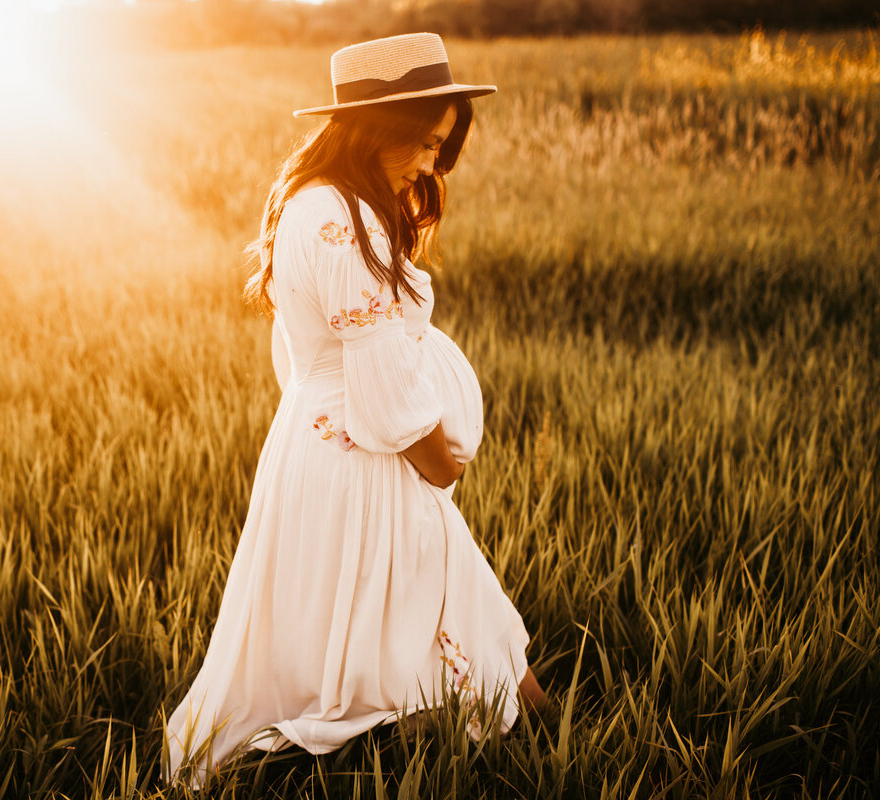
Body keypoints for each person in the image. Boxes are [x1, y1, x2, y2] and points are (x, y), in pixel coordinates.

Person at [163, 32, 547, 785]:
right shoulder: (342, 222)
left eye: (442, 146)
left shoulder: (323, 205)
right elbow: (374, 379)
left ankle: (532, 740)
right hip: (368, 454)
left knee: (444, 601)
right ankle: (503, 755)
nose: (433, 163)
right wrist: (440, 458)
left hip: (324, 448)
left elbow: (303, 362)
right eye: (426, 144)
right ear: (383, 129)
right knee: (427, 612)